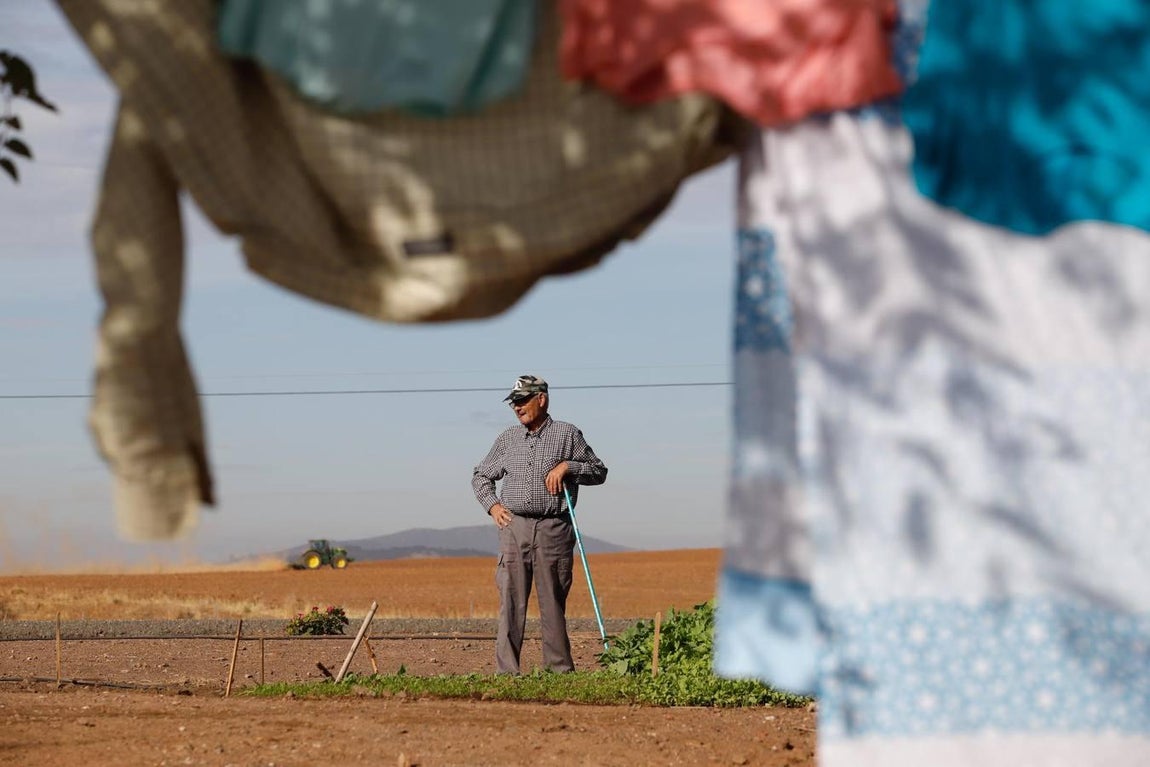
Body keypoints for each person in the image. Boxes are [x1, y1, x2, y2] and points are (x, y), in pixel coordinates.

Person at [471, 374, 608, 674]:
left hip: (554, 529)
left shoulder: (567, 434)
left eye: (522, 401)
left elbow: (599, 471)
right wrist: (493, 506)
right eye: (514, 403)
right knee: (510, 603)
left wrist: (568, 467)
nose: (517, 408)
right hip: (514, 528)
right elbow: (480, 476)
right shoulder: (507, 439)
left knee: (553, 604)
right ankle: (507, 674)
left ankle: (558, 672)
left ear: (542, 399)